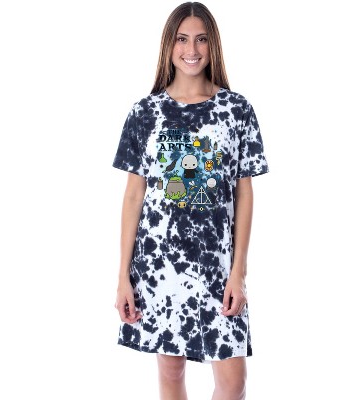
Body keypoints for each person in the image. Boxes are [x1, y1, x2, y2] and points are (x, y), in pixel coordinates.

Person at [113, 2, 269, 399]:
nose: (191, 49)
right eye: (182, 39)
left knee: (233, 383)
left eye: (201, 39)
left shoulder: (236, 110)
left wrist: (239, 272)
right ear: (169, 46)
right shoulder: (145, 113)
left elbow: (244, 192)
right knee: (171, 371)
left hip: (217, 266)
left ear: (213, 45)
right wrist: (123, 277)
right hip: (159, 264)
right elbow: (134, 196)